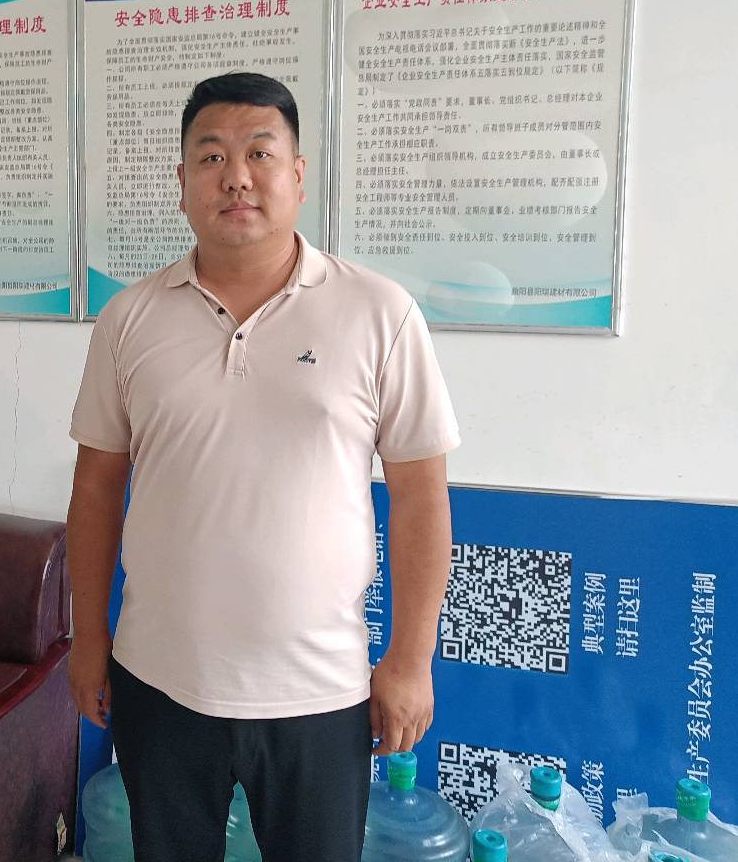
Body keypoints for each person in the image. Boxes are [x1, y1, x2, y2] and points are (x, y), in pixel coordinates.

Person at [67, 71, 459, 861]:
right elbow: (97, 487)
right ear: (182, 183)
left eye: (260, 153)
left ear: (298, 174)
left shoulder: (378, 312)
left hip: (321, 691)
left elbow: (421, 494)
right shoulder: (129, 318)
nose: (236, 177)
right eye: (211, 157)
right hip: (159, 680)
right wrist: (87, 638)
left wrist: (411, 659)